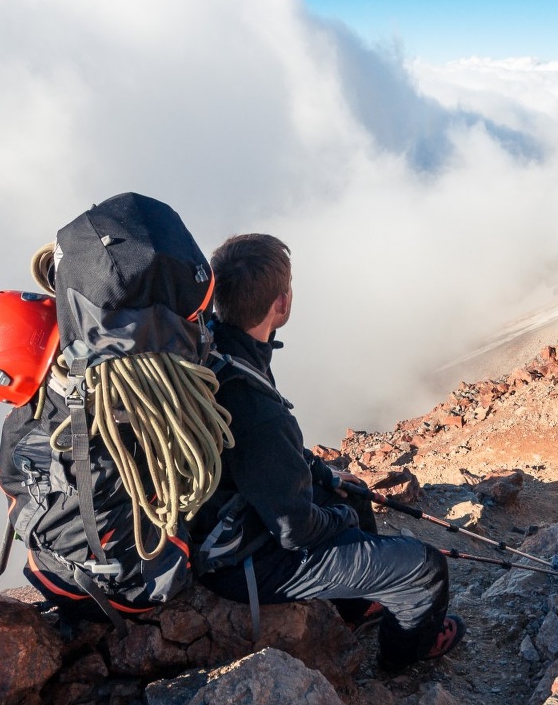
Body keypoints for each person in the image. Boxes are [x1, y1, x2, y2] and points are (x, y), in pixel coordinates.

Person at [190, 233, 464, 670]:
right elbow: (294, 530)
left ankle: (354, 609)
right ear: (282, 303)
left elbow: (273, 456)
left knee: (350, 491)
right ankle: (403, 658)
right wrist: (344, 519)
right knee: (425, 568)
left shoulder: (217, 348)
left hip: (227, 516)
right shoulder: (256, 405)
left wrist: (329, 479)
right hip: (242, 560)